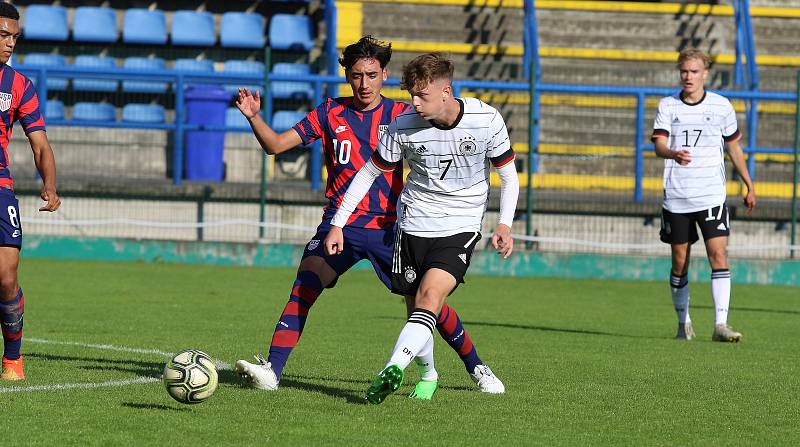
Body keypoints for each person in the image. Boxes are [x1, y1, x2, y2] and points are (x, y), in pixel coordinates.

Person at [234, 37, 504, 398]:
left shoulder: (403, 116)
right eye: (357, 75)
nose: (364, 84)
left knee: (427, 303)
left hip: (391, 227)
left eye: (372, 75)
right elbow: (276, 146)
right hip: (340, 225)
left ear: (384, 75)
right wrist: (254, 117)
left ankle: (477, 368)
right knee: (305, 284)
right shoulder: (329, 112)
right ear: (347, 75)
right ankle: (272, 370)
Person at [324, 52, 519, 404]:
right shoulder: (402, 126)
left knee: (431, 298)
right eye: (411, 94)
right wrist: (338, 223)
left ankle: (392, 369)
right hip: (413, 223)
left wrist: (504, 222)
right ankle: (431, 373)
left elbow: (508, 175)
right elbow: (369, 173)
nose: (413, 103)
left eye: (421, 96)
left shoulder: (486, 119)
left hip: (461, 225)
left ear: (446, 91)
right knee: (418, 309)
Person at [652, 47, 755, 342]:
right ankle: (683, 323)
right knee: (680, 261)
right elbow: (659, 144)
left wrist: (749, 183)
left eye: (694, 71)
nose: (688, 77)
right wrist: (673, 153)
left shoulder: (722, 107)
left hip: (711, 194)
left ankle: (720, 325)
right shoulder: (668, 106)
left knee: (719, 254)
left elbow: (734, 147)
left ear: (705, 74)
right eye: (684, 71)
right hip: (678, 196)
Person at [0, 2, 61, 381]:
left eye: (14, 38)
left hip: (0, 186)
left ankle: (13, 359)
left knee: (6, 276)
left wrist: (49, 184)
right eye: (3, 36)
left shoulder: (19, 85)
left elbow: (39, 143)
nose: (10, 44)